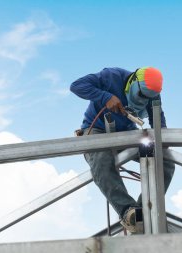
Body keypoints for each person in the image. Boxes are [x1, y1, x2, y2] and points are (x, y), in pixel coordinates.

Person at [70, 67, 175, 233]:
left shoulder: (152, 94)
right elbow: (76, 85)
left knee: (166, 160)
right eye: (141, 95)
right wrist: (105, 96)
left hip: (126, 132)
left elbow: (158, 120)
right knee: (101, 160)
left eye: (148, 98)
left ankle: (142, 213)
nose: (143, 101)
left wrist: (162, 139)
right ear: (132, 82)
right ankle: (127, 211)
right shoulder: (110, 77)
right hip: (96, 129)